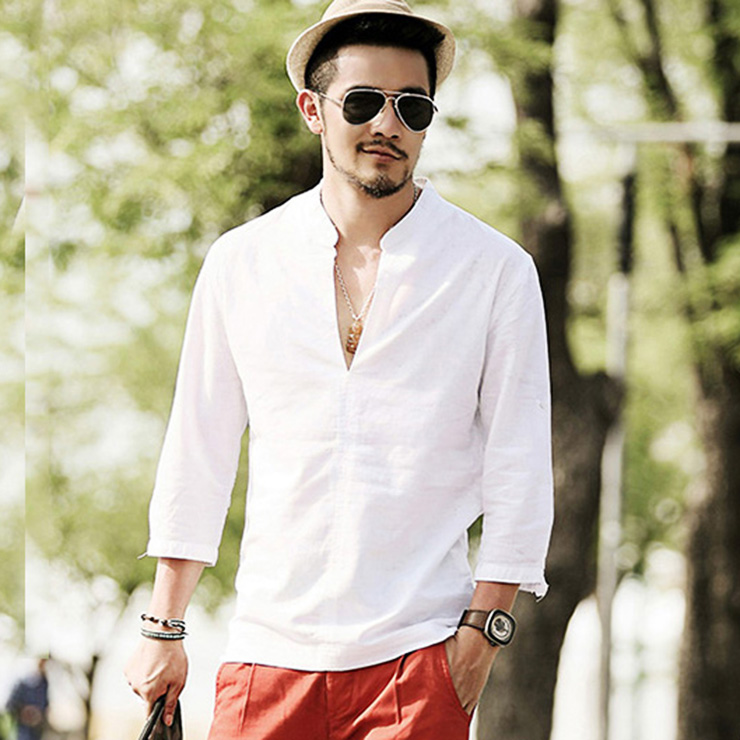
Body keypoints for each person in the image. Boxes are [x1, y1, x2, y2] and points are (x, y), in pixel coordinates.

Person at [125, 0, 554, 737]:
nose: (388, 124)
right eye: (362, 102)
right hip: (267, 657)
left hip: (419, 659)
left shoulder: (494, 271)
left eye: (412, 106)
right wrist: (164, 626)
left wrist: (482, 637)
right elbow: (198, 450)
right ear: (313, 111)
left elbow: (521, 464)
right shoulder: (242, 262)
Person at [6, 659, 49, 740]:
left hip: (37, 731)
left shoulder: (44, 685)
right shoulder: (23, 684)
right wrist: (25, 712)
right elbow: (10, 705)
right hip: (24, 730)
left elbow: (45, 706)